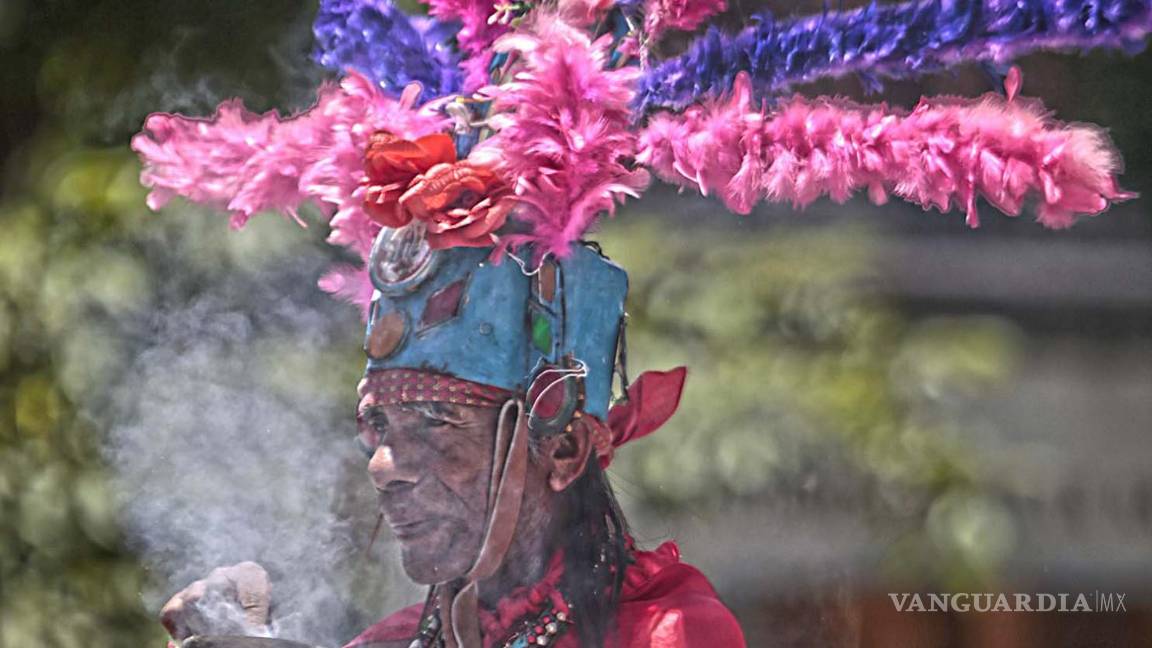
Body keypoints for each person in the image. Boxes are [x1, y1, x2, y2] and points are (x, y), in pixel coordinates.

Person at [159, 234, 747, 648]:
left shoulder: (668, 634)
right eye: (380, 427)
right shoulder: (386, 643)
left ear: (563, 450)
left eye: (438, 421)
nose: (383, 467)